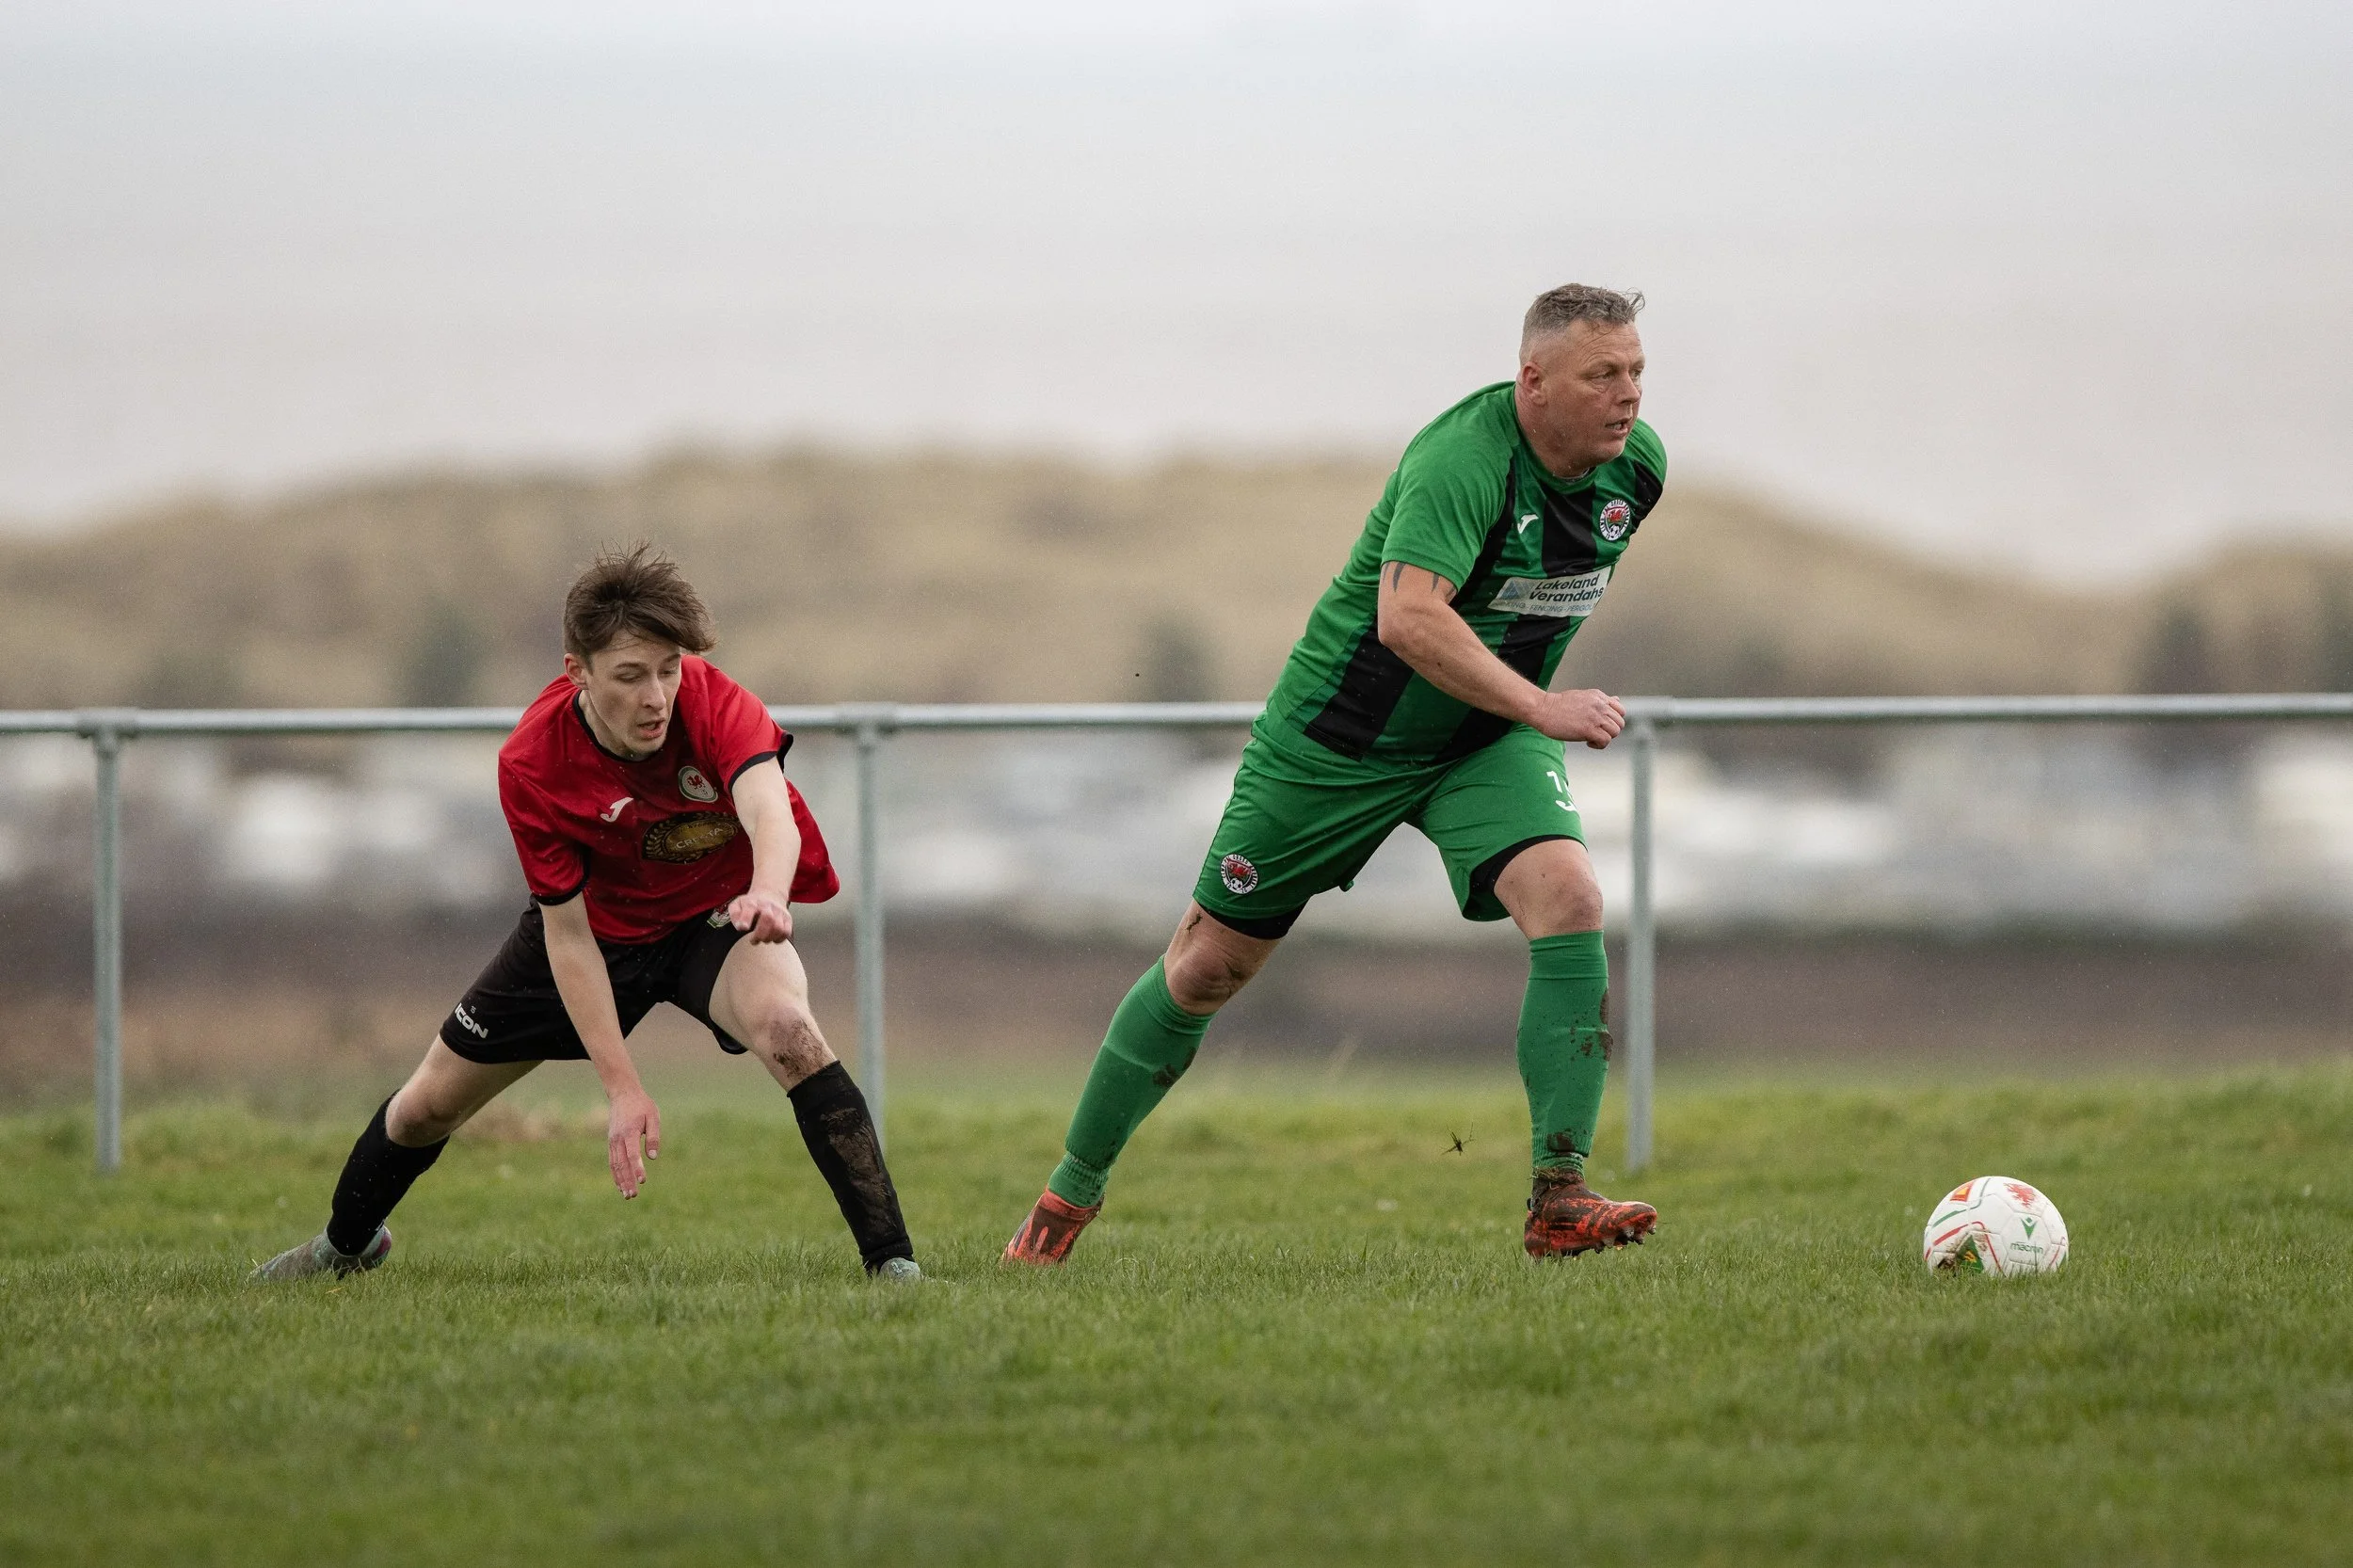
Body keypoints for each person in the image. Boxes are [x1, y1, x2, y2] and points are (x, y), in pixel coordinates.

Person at [1006, 284, 1665, 1265]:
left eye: (1637, 372)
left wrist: (1516, 711)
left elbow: (1521, 601)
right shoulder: (1462, 460)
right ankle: (1066, 1198)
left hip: (1479, 741)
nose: (1628, 397)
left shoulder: (1636, 473)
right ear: (1532, 381)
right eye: (1601, 375)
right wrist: (1541, 704)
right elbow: (1408, 619)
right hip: (1334, 744)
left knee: (1569, 896)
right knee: (1204, 969)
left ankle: (1558, 1194)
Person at [255, 544, 919, 1282]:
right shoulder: (532, 763)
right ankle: (342, 1249)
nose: (657, 696)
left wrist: (767, 889)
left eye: (667, 670)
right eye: (631, 676)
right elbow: (567, 937)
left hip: (711, 916)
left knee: (792, 1033)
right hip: (595, 935)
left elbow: (771, 811)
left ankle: (893, 1268)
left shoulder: (711, 698)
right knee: (424, 1110)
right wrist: (622, 1085)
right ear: (578, 672)